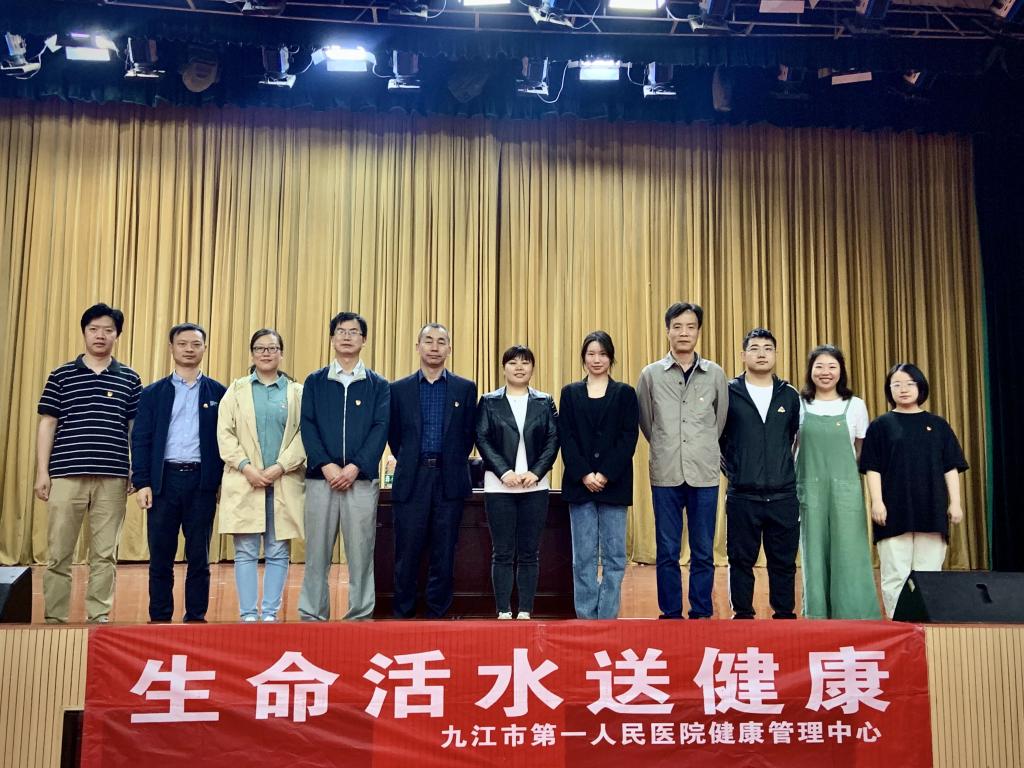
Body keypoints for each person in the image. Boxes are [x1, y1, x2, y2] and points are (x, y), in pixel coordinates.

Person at [36, 303, 143, 624]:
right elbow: (47, 423)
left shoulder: (130, 378)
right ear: (84, 332)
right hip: (65, 474)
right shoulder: (61, 375)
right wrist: (42, 472)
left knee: (105, 554)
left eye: (108, 330)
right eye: (94, 329)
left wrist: (135, 468)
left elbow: (134, 429)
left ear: (117, 335)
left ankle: (99, 617)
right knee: (59, 553)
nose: (100, 335)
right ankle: (55, 619)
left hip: (112, 476)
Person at [637, 302, 729, 620]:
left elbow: (720, 421)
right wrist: (668, 446)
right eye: (677, 326)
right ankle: (671, 613)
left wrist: (700, 447)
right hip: (666, 472)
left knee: (703, 550)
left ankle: (701, 611)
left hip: (704, 472)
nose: (684, 333)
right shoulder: (650, 375)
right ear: (667, 331)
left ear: (699, 331)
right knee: (667, 550)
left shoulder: (715, 374)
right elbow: (647, 423)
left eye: (690, 326)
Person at [132, 323, 226, 623]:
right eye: (182, 343)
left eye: (196, 344)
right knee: (160, 556)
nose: (189, 349)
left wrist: (220, 482)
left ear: (204, 348)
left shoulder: (219, 393)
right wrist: (142, 482)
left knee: (199, 556)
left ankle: (196, 618)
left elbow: (225, 441)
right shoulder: (153, 393)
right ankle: (160, 619)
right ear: (171, 348)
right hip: (163, 481)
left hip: (201, 483)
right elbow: (141, 439)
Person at [299, 312, 390, 621]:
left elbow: (380, 428)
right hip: (320, 480)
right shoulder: (315, 381)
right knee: (316, 553)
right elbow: (308, 425)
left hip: (360, 481)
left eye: (354, 332)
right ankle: (313, 615)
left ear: (364, 340)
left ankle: (360, 616)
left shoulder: (378, 384)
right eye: (341, 331)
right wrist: (325, 464)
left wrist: (355, 467)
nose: (347, 336)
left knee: (361, 553)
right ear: (332, 338)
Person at [860, 363, 968, 618]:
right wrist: (877, 502)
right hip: (893, 509)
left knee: (928, 573)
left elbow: (950, 467)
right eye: (896, 384)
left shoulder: (938, 425)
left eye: (910, 383)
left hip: (931, 507)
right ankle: (897, 624)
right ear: (889, 390)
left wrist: (955, 503)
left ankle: (927, 625)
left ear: (921, 387)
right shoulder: (880, 425)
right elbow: (872, 468)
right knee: (895, 572)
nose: (903, 389)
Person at [387, 323, 478, 619]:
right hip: (412, 479)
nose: (435, 347)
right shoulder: (398, 389)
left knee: (444, 551)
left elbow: (468, 435)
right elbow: (395, 436)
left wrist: (449, 461)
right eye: (428, 341)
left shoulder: (465, 388)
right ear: (418, 347)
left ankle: (437, 614)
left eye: (441, 342)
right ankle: (403, 613)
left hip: (449, 479)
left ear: (449, 349)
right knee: (407, 551)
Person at [216, 329, 306, 622]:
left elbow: (305, 434)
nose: (266, 353)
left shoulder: (296, 392)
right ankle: (247, 615)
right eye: (260, 348)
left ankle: (269, 614)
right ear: (252, 353)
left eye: (272, 348)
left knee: (278, 550)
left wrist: (280, 466)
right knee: (245, 551)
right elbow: (225, 434)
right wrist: (246, 467)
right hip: (245, 480)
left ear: (282, 353)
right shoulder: (236, 390)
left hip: (284, 480)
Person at [720, 327, 801, 619]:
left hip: (783, 495)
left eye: (768, 348)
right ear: (743, 355)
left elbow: (793, 437)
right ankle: (742, 615)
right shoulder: (729, 392)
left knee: (784, 562)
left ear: (776, 354)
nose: (762, 354)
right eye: (754, 348)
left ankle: (784, 617)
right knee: (740, 560)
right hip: (743, 495)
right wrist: (736, 470)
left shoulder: (789, 395)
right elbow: (718, 438)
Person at [558, 331, 639, 619]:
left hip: (614, 484)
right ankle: (586, 618)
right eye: (591, 354)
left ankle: (607, 616)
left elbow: (628, 438)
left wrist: (604, 473)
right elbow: (566, 437)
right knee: (584, 557)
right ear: (583, 358)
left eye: (603, 354)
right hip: (579, 485)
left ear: (611, 358)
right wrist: (584, 474)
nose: (597, 359)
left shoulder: (625, 393)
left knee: (615, 557)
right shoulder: (570, 393)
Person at [796, 345, 880, 619]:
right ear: (810, 371)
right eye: (819, 366)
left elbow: (860, 451)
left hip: (845, 491)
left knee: (849, 551)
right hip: (810, 490)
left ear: (841, 371)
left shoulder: (855, 405)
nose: (825, 372)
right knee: (814, 552)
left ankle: (855, 615)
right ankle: (817, 615)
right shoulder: (800, 404)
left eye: (832, 366)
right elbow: (792, 448)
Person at [475, 345, 559, 620]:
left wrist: (536, 472)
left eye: (525, 362)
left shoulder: (544, 402)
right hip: (499, 487)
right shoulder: (489, 401)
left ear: (533, 368)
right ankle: (503, 611)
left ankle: (525, 611)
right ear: (504, 368)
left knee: (529, 552)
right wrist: (504, 472)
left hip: (535, 486)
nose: (519, 367)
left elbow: (553, 439)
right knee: (502, 552)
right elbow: (482, 438)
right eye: (513, 362)